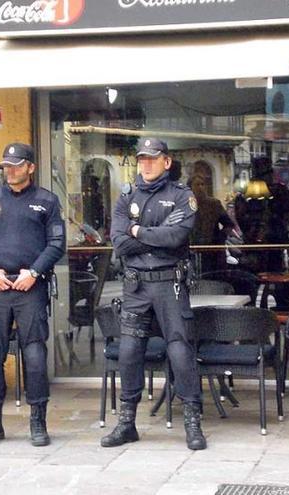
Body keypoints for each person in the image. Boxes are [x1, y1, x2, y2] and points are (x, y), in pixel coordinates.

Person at [101, 138, 207, 450]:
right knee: (130, 352)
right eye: (142, 159)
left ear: (166, 162)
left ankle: (192, 421)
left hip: (168, 284)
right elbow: (119, 242)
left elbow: (176, 237)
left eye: (152, 158)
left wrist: (137, 231)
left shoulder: (182, 196)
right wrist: (152, 235)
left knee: (179, 350)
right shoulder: (126, 195)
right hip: (135, 286)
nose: (146, 164)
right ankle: (127, 423)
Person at [0, 143, 66, 447]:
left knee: (34, 354)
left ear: (30, 167)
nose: (10, 170)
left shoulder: (46, 201)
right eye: (6, 165)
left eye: (16, 165)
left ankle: (38, 420)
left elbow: (56, 244)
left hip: (30, 287)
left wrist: (34, 272)